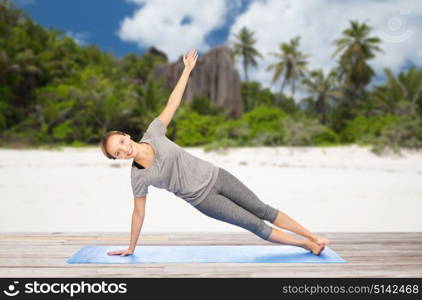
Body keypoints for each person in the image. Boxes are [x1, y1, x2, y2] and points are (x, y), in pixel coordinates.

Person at [100, 49, 330, 257]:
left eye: (120, 142)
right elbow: (138, 214)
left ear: (126, 135)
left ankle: (312, 236)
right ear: (118, 159)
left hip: (218, 176)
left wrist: (187, 70)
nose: (123, 149)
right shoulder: (138, 177)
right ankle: (306, 246)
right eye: (117, 153)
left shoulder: (154, 133)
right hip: (204, 200)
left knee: (262, 209)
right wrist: (131, 247)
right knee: (255, 225)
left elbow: (172, 103)